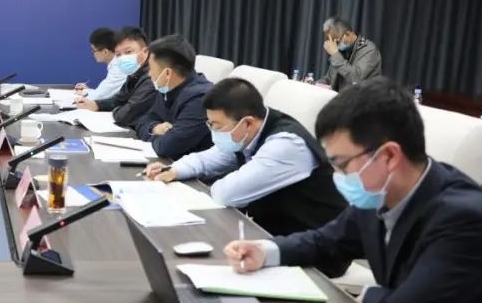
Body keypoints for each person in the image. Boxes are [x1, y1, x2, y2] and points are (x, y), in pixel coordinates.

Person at [224, 78, 482, 303]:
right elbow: (325, 241)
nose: (339, 177)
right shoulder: (380, 191)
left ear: (388, 156)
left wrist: (368, 294)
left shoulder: (465, 219)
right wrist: (266, 251)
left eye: (342, 165)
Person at [145, 77, 346, 236]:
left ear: (247, 123)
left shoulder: (286, 145)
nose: (213, 132)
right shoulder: (251, 130)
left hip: (314, 247)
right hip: (274, 234)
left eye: (216, 126)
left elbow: (227, 193)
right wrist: (174, 170)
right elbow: (214, 157)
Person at [131, 35, 213, 159]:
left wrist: (152, 135)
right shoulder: (167, 86)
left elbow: (167, 147)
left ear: (167, 73)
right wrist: (154, 128)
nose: (149, 74)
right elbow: (142, 121)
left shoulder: (200, 99)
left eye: (151, 68)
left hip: (192, 168)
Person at [75, 26, 159, 129]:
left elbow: (126, 114)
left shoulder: (152, 77)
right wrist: (96, 105)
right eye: (118, 54)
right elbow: (118, 100)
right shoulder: (134, 73)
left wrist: (116, 109)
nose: (123, 58)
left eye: (129, 52)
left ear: (145, 52)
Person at [318, 16, 381, 92]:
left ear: (348, 34)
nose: (335, 45)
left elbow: (356, 78)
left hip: (361, 97)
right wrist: (313, 84)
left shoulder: (369, 49)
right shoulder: (339, 52)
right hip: (340, 97)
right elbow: (329, 79)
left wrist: (335, 54)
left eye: (337, 42)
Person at [74, 27, 125, 102]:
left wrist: (81, 97)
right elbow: (104, 92)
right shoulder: (116, 64)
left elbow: (100, 96)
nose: (93, 53)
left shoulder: (119, 68)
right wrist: (87, 91)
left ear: (105, 52)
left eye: (93, 50)